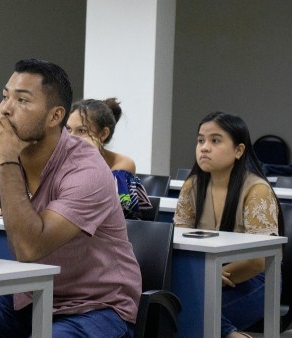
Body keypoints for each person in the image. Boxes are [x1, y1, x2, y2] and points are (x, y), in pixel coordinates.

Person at [0, 59, 141, 337]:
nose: (5, 109)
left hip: (94, 307)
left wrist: (8, 162)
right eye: (5, 97)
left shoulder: (86, 168)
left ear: (55, 116)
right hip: (26, 297)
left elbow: (29, 248)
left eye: (22, 100)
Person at [173, 111, 284, 338]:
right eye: (200, 140)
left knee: (183, 315)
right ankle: (230, 334)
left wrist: (213, 275)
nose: (204, 147)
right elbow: (179, 242)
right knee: (168, 308)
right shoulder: (192, 185)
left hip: (256, 281)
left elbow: (258, 261)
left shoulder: (256, 190)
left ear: (239, 150)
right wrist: (207, 276)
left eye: (215, 140)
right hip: (206, 277)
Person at [66, 98, 151, 219]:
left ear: (103, 134)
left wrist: (92, 158)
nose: (71, 137)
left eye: (82, 131)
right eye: (68, 129)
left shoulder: (122, 163)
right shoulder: (60, 160)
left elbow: (118, 208)